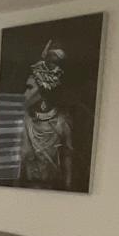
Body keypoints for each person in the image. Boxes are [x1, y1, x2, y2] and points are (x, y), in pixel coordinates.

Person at [17, 39, 75, 190]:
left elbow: (68, 158)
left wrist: (68, 187)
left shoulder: (62, 122)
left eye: (29, 88)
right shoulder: (26, 121)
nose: (25, 94)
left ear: (42, 94)